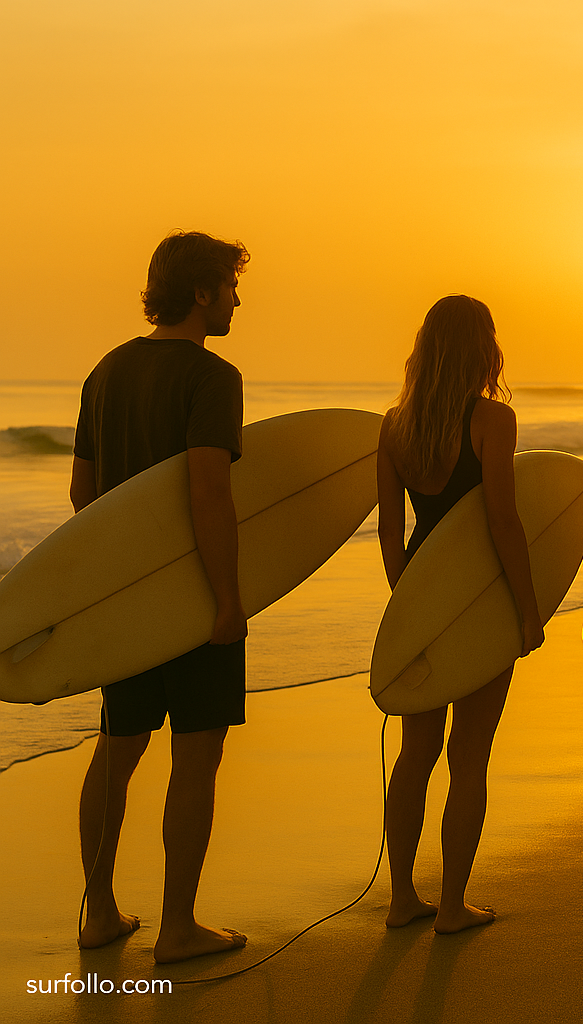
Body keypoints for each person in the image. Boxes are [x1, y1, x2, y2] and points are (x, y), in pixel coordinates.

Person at [72, 230, 251, 963]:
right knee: (195, 756)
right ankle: (178, 926)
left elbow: (84, 495)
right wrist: (228, 599)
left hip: (128, 602)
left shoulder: (106, 372)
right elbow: (209, 490)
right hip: (191, 601)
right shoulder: (211, 377)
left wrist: (112, 585)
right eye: (231, 287)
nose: (239, 299)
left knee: (117, 748)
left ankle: (99, 913)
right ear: (203, 292)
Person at [376, 294, 544, 934]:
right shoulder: (492, 422)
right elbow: (503, 519)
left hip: (423, 589)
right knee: (469, 758)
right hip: (480, 596)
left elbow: (392, 531)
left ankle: (400, 899)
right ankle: (450, 906)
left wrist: (408, 599)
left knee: (416, 754)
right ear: (483, 350)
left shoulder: (395, 426)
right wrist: (529, 613)